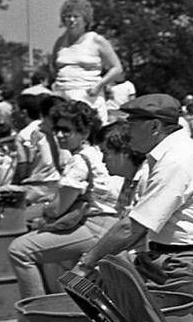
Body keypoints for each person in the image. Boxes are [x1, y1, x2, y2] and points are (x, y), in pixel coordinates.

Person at [68, 93, 193, 302]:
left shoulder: (176, 160)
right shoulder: (175, 154)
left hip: (192, 268)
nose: (127, 132)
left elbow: (132, 227)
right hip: (181, 262)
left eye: (131, 124)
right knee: (100, 281)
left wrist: (86, 264)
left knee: (95, 292)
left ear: (154, 127)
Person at [8, 101, 122, 300]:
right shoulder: (97, 153)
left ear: (85, 132)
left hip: (97, 225)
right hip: (109, 223)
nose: (59, 135)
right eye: (57, 129)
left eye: (66, 130)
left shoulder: (80, 161)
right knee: (60, 261)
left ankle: (37, 310)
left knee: (20, 250)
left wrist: (35, 211)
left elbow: (56, 210)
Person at [49, 0, 124, 126]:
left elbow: (117, 68)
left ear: (85, 20)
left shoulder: (96, 40)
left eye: (76, 16)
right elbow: (53, 66)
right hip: (63, 95)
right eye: (68, 16)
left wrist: (99, 85)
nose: (72, 20)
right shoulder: (60, 42)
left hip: (88, 95)